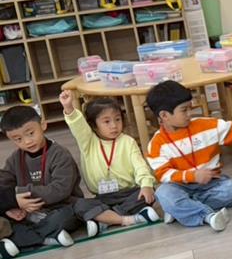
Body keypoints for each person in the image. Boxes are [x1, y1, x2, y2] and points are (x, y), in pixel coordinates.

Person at [145, 81, 232, 231]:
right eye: (184, 110)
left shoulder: (206, 125)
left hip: (212, 183)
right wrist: (192, 176)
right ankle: (207, 216)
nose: (190, 114)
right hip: (179, 186)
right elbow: (163, 175)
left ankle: (181, 209)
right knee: (163, 193)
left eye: (190, 108)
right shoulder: (156, 144)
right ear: (164, 115)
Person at [59, 91, 160, 232]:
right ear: (94, 125)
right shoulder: (88, 142)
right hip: (102, 197)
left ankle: (105, 219)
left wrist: (146, 185)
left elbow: (140, 166)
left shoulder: (128, 141)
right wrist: (69, 108)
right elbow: (78, 126)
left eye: (117, 119)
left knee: (149, 193)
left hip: (129, 192)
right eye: (106, 121)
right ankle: (128, 218)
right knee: (80, 205)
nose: (114, 125)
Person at [0, 106, 85, 258]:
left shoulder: (60, 154)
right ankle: (47, 237)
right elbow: (4, 183)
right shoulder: (14, 159)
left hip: (61, 207)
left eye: (31, 133)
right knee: (7, 219)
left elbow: (60, 190)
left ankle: (28, 240)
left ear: (43, 125)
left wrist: (20, 194)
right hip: (29, 213)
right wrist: (12, 206)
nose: (27, 141)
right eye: (18, 139)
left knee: (68, 216)